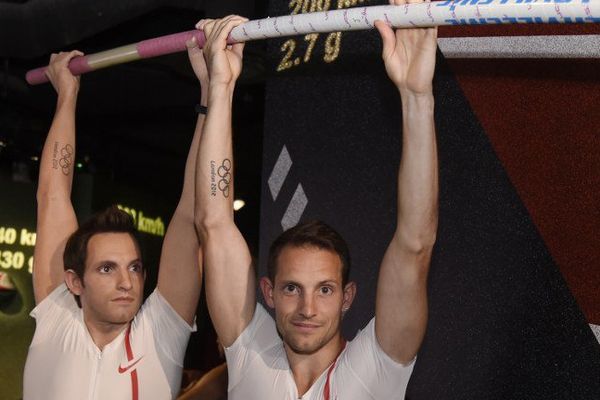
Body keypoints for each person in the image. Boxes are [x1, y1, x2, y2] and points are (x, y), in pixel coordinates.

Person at [193, 0, 438, 397]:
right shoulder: (249, 352)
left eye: (325, 289)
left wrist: (416, 96)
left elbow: (415, 242)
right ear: (269, 292)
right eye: (292, 288)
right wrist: (220, 87)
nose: (307, 308)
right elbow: (212, 223)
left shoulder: (378, 365)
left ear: (347, 297)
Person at [23, 42, 211, 399]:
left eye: (135, 267)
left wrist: (210, 89)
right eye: (107, 269)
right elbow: (52, 195)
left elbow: (193, 209)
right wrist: (67, 93)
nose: (127, 282)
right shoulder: (57, 320)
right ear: (74, 282)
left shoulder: (160, 331)